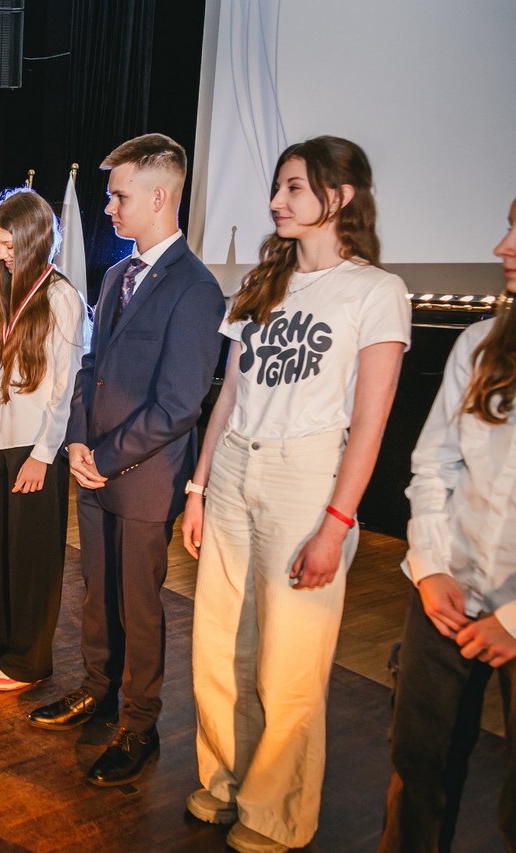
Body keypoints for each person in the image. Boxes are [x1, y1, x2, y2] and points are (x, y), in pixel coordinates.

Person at [181, 136, 410, 851]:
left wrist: (336, 524)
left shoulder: (377, 292)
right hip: (232, 470)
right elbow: (228, 395)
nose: (277, 201)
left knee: (290, 659)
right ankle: (225, 780)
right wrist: (197, 485)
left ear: (338, 197)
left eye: (294, 188)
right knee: (219, 644)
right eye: (278, 187)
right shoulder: (264, 281)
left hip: (305, 475)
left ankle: (276, 812)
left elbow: (370, 423)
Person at [26, 133, 225, 788]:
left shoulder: (196, 288)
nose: (108, 208)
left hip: (145, 478)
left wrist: (104, 457)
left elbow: (179, 405)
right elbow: (92, 367)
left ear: (160, 196)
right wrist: (78, 440)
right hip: (97, 467)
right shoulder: (117, 274)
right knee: (96, 594)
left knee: (139, 605)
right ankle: (98, 690)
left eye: (119, 196)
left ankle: (140, 723)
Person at [378, 199, 516, 852]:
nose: (501, 247)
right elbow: (434, 462)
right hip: (445, 594)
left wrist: (511, 620)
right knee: (418, 760)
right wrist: (432, 568)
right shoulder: (480, 343)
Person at [0, 187, 86, 691]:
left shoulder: (61, 297)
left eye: (10, 246)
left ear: (35, 240)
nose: (3, 255)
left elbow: (65, 386)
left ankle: (29, 660)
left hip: (33, 447)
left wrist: (43, 456)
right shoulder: (6, 289)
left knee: (30, 558)